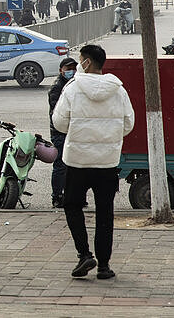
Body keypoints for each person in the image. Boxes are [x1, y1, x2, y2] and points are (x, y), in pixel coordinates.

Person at [51, 44, 134, 280]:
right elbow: (128, 124)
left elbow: (59, 122)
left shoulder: (72, 88)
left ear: (86, 61)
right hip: (107, 163)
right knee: (105, 213)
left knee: (72, 205)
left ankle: (84, 254)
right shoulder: (118, 90)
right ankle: (104, 266)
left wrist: (79, 131)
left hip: (77, 161)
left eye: (80, 59)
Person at [47, 57, 79, 208]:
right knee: (60, 165)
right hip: (60, 132)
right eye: (68, 69)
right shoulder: (57, 87)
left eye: (73, 68)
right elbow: (58, 112)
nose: (71, 71)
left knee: (73, 166)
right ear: (61, 70)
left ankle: (71, 195)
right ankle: (57, 196)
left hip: (71, 130)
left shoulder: (74, 84)